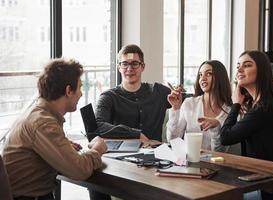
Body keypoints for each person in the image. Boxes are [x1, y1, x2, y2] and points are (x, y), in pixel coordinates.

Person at [2, 58, 107, 200]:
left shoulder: (38, 114)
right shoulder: (43, 123)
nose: (81, 94)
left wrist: (63, 145)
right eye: (80, 87)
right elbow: (79, 171)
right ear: (69, 90)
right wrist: (97, 149)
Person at [219, 50, 273, 200]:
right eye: (238, 65)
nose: (239, 69)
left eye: (247, 65)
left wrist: (236, 104)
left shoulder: (263, 108)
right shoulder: (259, 104)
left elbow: (225, 137)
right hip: (266, 180)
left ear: (261, 71)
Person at [94, 44, 171, 143]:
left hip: (155, 154)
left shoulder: (159, 92)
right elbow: (97, 125)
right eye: (125, 64)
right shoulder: (108, 97)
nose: (129, 69)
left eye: (135, 63)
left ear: (142, 67)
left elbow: (188, 101)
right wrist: (135, 134)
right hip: (120, 155)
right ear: (119, 68)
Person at [166, 60, 232, 152]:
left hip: (213, 164)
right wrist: (176, 108)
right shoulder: (189, 103)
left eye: (209, 74)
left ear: (220, 78)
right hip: (187, 161)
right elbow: (172, 140)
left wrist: (216, 127)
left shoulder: (229, 112)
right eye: (200, 75)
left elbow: (220, 152)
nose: (203, 78)